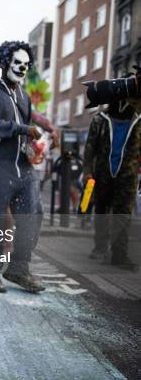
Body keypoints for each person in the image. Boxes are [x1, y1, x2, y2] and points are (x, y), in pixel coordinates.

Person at [0, 40, 45, 294]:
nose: (22, 68)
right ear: (5, 63)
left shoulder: (24, 95)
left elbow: (28, 127)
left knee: (32, 216)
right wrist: (21, 129)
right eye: (17, 63)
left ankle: (18, 269)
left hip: (23, 169)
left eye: (26, 65)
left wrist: (36, 144)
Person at [83, 99, 140, 270]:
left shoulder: (139, 119)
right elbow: (90, 147)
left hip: (127, 175)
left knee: (123, 215)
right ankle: (100, 246)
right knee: (101, 210)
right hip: (102, 173)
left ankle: (119, 254)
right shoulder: (99, 119)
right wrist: (87, 172)